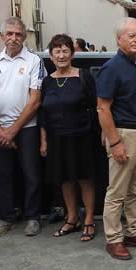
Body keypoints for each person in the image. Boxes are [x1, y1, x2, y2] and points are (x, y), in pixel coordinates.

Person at [96, 18, 136, 260]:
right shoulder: (112, 68)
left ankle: (133, 232)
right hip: (123, 135)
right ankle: (113, 238)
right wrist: (114, 142)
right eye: (131, 36)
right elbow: (103, 108)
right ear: (119, 39)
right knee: (117, 191)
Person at [0, 17, 45, 238]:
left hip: (27, 128)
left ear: (24, 36)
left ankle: (33, 217)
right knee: (1, 175)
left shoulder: (34, 61)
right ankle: (6, 217)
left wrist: (12, 130)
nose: (13, 38)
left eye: (18, 34)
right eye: (9, 33)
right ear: (2, 36)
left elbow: (35, 100)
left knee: (30, 174)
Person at [39, 34, 98, 242]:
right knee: (64, 179)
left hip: (82, 136)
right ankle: (72, 217)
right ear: (51, 56)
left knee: (85, 178)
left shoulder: (83, 76)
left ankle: (89, 219)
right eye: (57, 51)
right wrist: (44, 140)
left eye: (65, 51)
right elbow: (43, 114)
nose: (61, 55)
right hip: (56, 138)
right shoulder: (47, 81)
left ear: (72, 54)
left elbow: (96, 106)